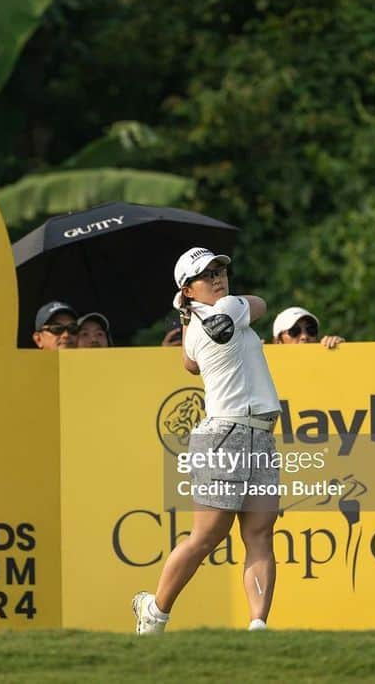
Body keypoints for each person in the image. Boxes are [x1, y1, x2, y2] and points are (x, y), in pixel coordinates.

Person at [132, 247, 282, 635]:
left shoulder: (201, 320)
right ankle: (155, 611)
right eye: (206, 275)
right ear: (188, 288)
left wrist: (186, 311)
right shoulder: (230, 307)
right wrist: (196, 309)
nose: (217, 277)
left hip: (261, 434)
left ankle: (258, 626)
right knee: (207, 536)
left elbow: (189, 363)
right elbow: (262, 303)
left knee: (260, 534)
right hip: (226, 435)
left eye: (220, 270)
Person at [272, 306, 345, 349]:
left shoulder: (325, 363)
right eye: (294, 331)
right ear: (278, 342)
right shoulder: (266, 370)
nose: (304, 336)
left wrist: (339, 351)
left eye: (310, 330)